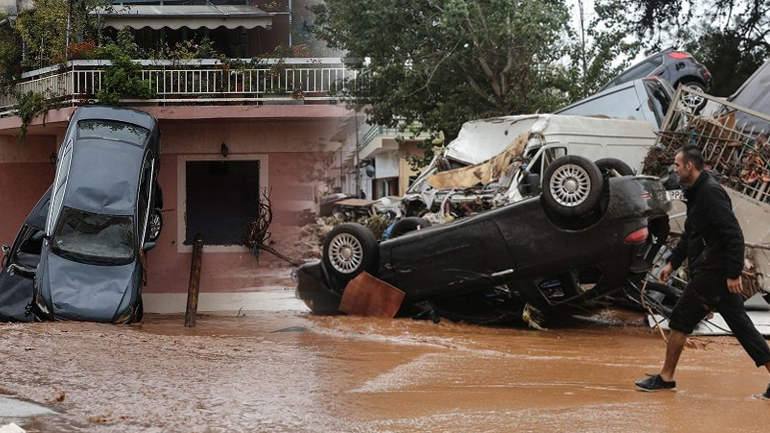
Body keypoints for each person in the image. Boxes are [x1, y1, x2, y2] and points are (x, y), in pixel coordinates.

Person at [634, 144, 770, 397]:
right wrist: (672, 262)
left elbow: (733, 234)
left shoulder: (711, 193)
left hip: (713, 272)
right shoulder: (697, 193)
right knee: (741, 326)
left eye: (677, 165)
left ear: (689, 166)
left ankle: (666, 377)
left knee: (680, 320)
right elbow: (691, 234)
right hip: (712, 271)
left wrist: (733, 273)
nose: (674, 170)